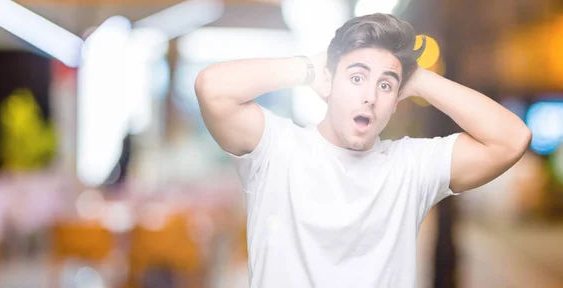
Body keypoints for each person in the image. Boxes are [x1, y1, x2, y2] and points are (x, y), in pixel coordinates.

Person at [195, 13, 531, 288]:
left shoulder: (410, 166)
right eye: (357, 77)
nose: (370, 95)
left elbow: (512, 139)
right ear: (328, 82)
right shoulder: (276, 148)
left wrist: (416, 79)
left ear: (396, 101)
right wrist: (311, 68)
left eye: (385, 85)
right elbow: (211, 88)